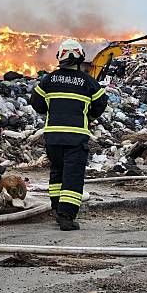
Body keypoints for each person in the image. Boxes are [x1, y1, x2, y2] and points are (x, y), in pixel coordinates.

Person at [29, 39, 107, 231]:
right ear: (80, 57)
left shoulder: (49, 79)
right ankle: (66, 216)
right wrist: (88, 115)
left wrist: (52, 110)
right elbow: (101, 103)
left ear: (60, 58)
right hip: (76, 137)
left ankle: (57, 210)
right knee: (72, 176)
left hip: (53, 137)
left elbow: (36, 102)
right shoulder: (88, 82)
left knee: (57, 172)